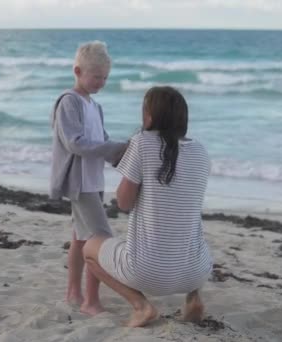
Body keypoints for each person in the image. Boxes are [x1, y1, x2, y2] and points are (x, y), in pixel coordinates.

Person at [82, 86, 213, 327]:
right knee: (191, 236)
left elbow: (123, 202)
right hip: (197, 271)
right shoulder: (201, 152)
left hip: (148, 273)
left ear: (149, 116)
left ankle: (141, 306)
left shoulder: (142, 143)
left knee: (90, 249)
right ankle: (194, 297)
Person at [49, 41, 127, 315]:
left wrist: (128, 155)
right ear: (78, 71)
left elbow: (103, 143)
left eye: (105, 77)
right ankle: (91, 301)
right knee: (101, 238)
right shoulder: (69, 102)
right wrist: (117, 147)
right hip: (79, 182)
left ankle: (73, 292)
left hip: (94, 181)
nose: (101, 82)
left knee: (81, 239)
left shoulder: (95, 106)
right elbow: (76, 144)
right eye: (96, 76)